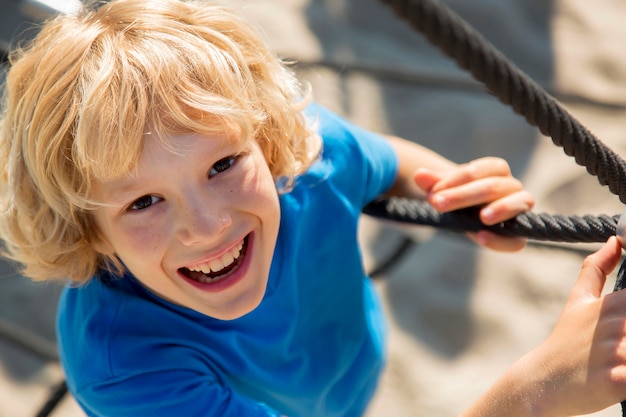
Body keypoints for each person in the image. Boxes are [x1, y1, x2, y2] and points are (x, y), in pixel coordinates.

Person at [0, 0, 625, 416]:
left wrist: (452, 191)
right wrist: (535, 395)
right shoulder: (125, 367)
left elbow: (387, 162)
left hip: (347, 379)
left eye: (222, 165)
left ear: (267, 144)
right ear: (88, 230)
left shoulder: (311, 163)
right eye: (142, 202)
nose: (208, 225)